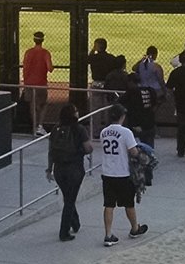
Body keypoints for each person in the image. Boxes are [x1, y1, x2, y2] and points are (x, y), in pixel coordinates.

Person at [97, 105, 148, 247]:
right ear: (122, 117)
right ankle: (134, 228)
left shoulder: (103, 132)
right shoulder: (126, 132)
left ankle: (108, 234)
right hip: (122, 173)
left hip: (107, 172)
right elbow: (133, 152)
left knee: (108, 204)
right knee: (128, 203)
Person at [46, 103, 89, 241]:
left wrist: (49, 168)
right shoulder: (79, 129)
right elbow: (88, 148)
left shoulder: (55, 129)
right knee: (70, 200)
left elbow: (51, 151)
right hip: (74, 168)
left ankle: (75, 223)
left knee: (68, 196)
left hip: (59, 169)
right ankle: (64, 231)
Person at [21, 31, 54, 135]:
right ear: (42, 40)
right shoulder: (45, 53)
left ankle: (35, 126)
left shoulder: (28, 52)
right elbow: (50, 68)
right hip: (40, 83)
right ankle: (40, 125)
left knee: (32, 105)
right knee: (43, 104)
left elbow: (25, 66)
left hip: (28, 82)